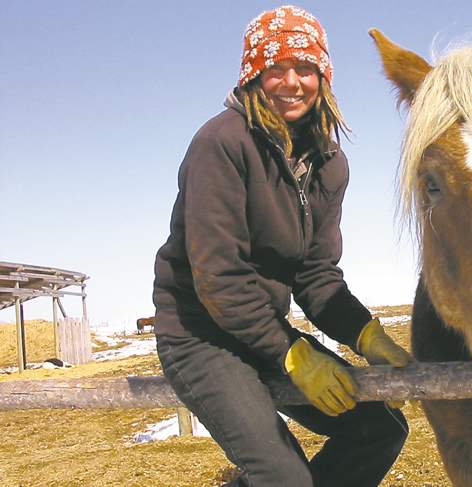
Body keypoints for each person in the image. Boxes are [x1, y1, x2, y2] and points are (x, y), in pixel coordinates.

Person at [152, 6, 411, 486]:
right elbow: (218, 278)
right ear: (254, 75)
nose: (291, 82)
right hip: (200, 336)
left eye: (306, 68)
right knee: (284, 477)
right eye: (276, 68)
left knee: (380, 428)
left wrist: (367, 336)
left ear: (323, 76)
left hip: (261, 332)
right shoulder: (221, 143)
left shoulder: (329, 163)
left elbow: (315, 273)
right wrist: (292, 353)